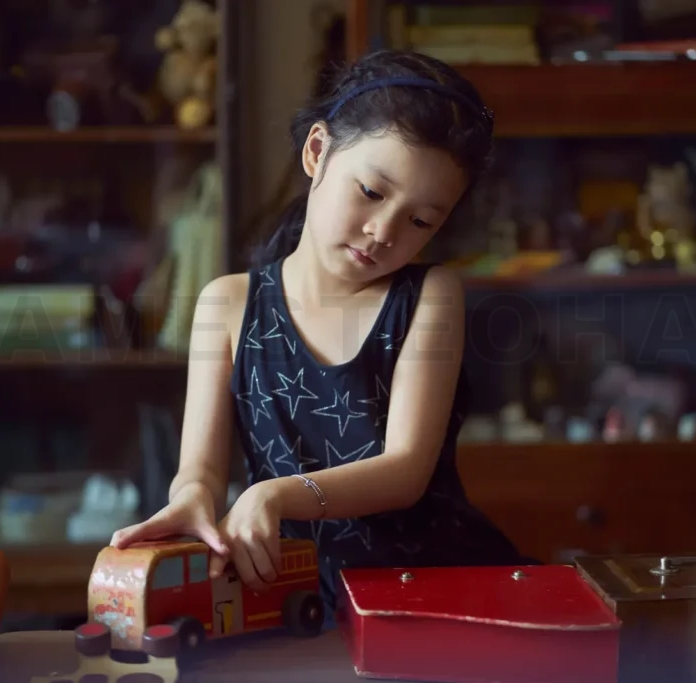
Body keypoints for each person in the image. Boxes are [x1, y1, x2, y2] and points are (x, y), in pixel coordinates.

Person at [110, 49, 530, 621]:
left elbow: (406, 470)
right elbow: (201, 470)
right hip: (292, 593)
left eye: (421, 221)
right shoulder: (228, 305)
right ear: (317, 152)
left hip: (427, 592)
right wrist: (191, 500)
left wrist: (273, 494)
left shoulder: (429, 296)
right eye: (373, 193)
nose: (384, 231)